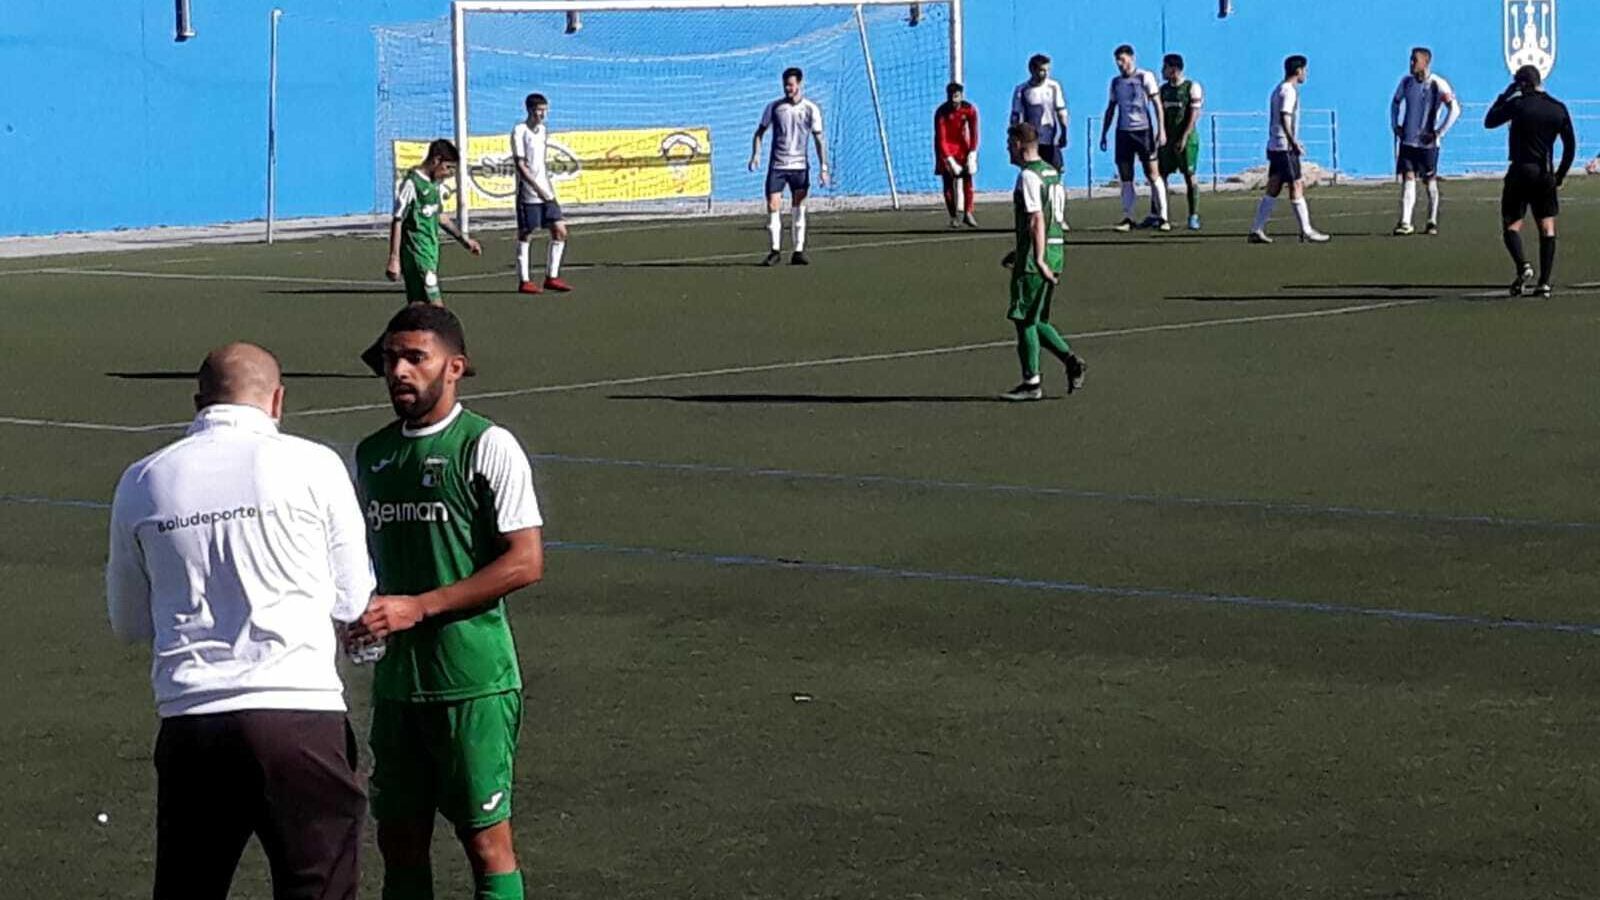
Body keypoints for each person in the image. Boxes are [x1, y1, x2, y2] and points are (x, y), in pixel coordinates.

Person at [107, 342, 373, 900]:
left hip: (192, 721)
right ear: (277, 400)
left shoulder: (142, 479)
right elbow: (352, 600)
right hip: (300, 715)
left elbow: (128, 620)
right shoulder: (314, 464)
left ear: (197, 402)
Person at [349, 305, 545, 900]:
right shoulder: (372, 455)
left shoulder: (487, 445)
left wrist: (420, 606)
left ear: (454, 368)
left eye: (415, 358)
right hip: (397, 684)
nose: (399, 371)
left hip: (472, 679)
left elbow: (525, 561)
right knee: (399, 843)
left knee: (486, 844)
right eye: (390, 360)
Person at [364, 139, 483, 376]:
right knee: (439, 312)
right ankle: (456, 359)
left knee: (416, 310)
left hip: (430, 254)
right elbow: (397, 219)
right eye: (448, 168)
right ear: (436, 160)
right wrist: (394, 257)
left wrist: (463, 239)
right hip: (417, 257)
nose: (449, 174)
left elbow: (440, 217)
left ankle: (377, 354)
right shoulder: (411, 184)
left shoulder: (434, 184)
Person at [999, 123, 1085, 403]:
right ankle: (1071, 361)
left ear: (1018, 144)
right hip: (1056, 251)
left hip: (1038, 258)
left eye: (1009, 143)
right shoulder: (1052, 173)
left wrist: (1036, 258)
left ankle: (1031, 382)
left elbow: (1037, 218)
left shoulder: (1028, 176)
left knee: (1023, 319)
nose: (1007, 149)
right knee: (1037, 319)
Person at [1485, 64, 1575, 298]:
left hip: (1520, 171)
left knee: (1511, 225)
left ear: (1522, 84)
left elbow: (1490, 120)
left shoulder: (1518, 105)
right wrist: (1560, 175)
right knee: (1547, 227)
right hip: (1545, 173)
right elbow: (1570, 146)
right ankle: (1544, 282)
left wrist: (1504, 96)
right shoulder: (1557, 108)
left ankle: (1523, 265)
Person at [749, 67, 830, 266]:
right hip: (778, 166)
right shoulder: (774, 107)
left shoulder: (811, 109)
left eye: (791, 85)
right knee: (773, 205)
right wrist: (756, 155)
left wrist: (824, 167)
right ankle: (775, 250)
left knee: (799, 207)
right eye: (785, 85)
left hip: (800, 167)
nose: (788, 89)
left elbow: (819, 139)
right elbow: (759, 133)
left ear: (800, 84)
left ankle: (798, 251)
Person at [1248, 55, 1330, 244]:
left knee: (1274, 187)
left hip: (1276, 145)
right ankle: (1306, 230)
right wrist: (1293, 142)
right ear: (1299, 70)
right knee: (1296, 185)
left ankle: (1256, 229)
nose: (1306, 74)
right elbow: (1285, 117)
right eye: (1305, 70)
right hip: (1284, 147)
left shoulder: (1279, 89)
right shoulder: (1288, 91)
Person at [1389, 47, 1460, 236]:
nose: (1411, 64)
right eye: (1411, 60)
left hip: (1428, 145)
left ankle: (1432, 220)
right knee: (1408, 177)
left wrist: (1438, 132)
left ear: (1425, 62)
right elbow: (1395, 103)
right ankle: (1405, 222)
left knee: (1429, 181)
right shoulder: (1406, 83)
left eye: (1415, 60)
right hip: (1408, 142)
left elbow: (1454, 109)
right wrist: (1395, 124)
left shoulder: (1437, 84)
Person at [1100, 44, 1170, 232]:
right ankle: (1129, 217)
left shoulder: (1144, 77)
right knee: (1126, 177)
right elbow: (1111, 108)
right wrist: (1104, 133)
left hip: (1143, 131)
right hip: (1123, 133)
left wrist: (1160, 130)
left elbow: (1156, 104)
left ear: (1132, 58)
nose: (1120, 64)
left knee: (1152, 174)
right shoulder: (1115, 82)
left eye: (1122, 59)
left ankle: (1163, 217)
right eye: (1117, 61)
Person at [511, 93, 572, 294]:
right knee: (527, 233)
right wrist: (536, 187)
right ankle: (525, 280)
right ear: (529, 110)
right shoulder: (519, 131)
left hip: (545, 189)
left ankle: (552, 277)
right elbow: (521, 165)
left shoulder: (543, 131)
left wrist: (546, 189)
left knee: (560, 230)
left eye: (545, 110)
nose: (543, 115)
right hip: (529, 191)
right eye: (539, 110)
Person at [1158, 53, 1205, 231]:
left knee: (1189, 176)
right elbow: (1160, 113)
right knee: (1161, 175)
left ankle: (1193, 215)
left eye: (1165, 67)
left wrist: (1184, 137)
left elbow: (1194, 115)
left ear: (1174, 69)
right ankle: (1160, 214)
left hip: (1187, 139)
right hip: (1167, 140)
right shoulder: (1164, 90)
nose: (1162, 71)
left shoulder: (1191, 87)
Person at [1011, 54, 1070, 171]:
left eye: (1048, 70)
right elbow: (1015, 116)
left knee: (1055, 170)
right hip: (1031, 140)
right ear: (1032, 70)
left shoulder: (1053, 87)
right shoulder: (1022, 89)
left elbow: (1061, 111)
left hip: (1050, 138)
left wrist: (1064, 133)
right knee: (1032, 171)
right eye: (1042, 70)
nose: (1046, 74)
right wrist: (1015, 139)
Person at [934, 81, 981, 228]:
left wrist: (972, 152)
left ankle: (968, 213)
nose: (954, 100)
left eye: (957, 96)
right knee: (948, 183)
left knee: (968, 179)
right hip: (945, 149)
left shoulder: (970, 109)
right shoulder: (941, 112)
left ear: (961, 95)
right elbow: (941, 138)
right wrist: (949, 160)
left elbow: (974, 132)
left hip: (962, 148)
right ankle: (953, 216)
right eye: (951, 96)